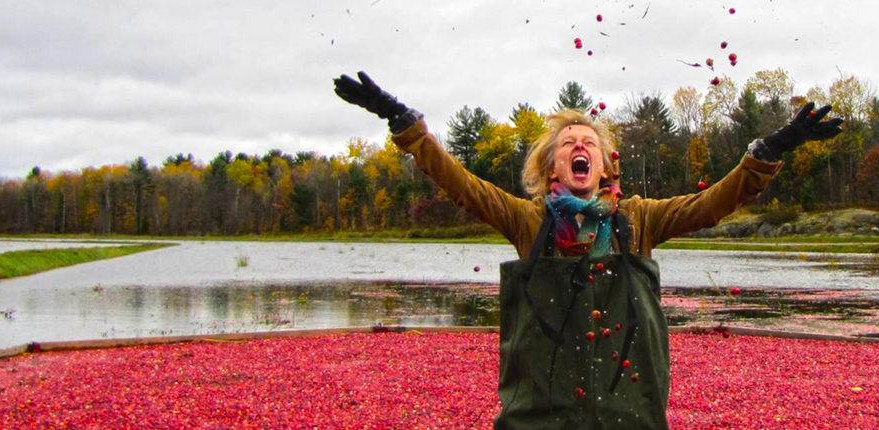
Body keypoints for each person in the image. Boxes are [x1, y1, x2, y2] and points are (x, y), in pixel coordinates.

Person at [334, 71, 842, 429]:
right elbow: (460, 183)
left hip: (630, 414)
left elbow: (712, 203)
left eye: (589, 143)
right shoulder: (528, 219)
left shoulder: (636, 219)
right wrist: (404, 122)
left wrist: (769, 151)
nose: (579, 146)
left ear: (604, 167)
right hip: (538, 415)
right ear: (552, 168)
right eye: (567, 143)